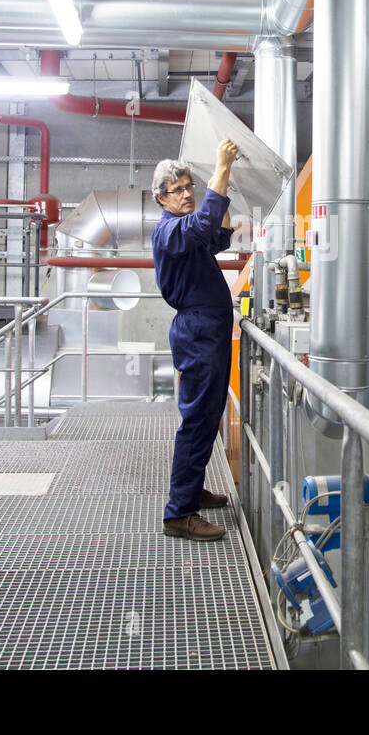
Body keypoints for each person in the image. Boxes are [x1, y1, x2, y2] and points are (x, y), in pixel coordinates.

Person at [151, 139, 240, 541]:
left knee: (208, 419)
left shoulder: (187, 231)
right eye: (178, 190)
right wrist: (220, 167)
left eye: (190, 186)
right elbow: (203, 226)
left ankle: (192, 491)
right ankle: (179, 514)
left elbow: (218, 238)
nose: (187, 193)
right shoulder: (169, 232)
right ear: (161, 198)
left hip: (209, 331)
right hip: (198, 332)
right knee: (197, 421)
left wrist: (227, 185)